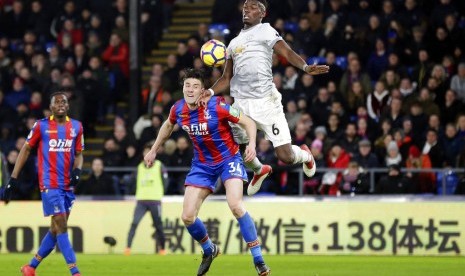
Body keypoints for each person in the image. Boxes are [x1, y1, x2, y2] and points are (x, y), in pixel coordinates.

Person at [144, 69, 271, 276]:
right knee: (187, 217)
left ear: (203, 90)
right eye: (187, 86)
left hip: (228, 159)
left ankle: (258, 259)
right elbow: (168, 126)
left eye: (195, 86)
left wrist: (252, 145)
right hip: (202, 165)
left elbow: (248, 122)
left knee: (236, 205)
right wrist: (153, 149)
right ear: (182, 88)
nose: (190, 90)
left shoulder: (218, 105)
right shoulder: (178, 109)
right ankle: (209, 249)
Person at [197, 0, 329, 196]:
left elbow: (287, 52)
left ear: (263, 13)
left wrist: (305, 67)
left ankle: (304, 154)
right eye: (245, 7)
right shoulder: (233, 43)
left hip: (266, 103)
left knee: (285, 156)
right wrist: (209, 92)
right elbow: (226, 78)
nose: (247, 10)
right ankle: (259, 170)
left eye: (253, 7)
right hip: (241, 103)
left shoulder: (266, 31)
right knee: (237, 147)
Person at [2, 92, 84, 276]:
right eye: (57, 102)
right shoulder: (42, 126)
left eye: (64, 101)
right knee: (61, 225)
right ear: (51, 107)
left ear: (68, 106)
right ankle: (75, 272)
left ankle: (30, 267)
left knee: (55, 230)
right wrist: (12, 179)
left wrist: (78, 171)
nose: (61, 104)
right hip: (49, 183)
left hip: (67, 186)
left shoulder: (77, 127)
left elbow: (79, 154)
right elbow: (25, 149)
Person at [125, 145, 167, 256]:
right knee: (134, 223)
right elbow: (134, 182)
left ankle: (162, 249)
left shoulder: (159, 166)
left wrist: (160, 193)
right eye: (145, 152)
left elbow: (165, 182)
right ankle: (127, 248)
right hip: (141, 200)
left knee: (158, 226)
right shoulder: (139, 167)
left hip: (155, 200)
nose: (147, 154)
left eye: (149, 152)